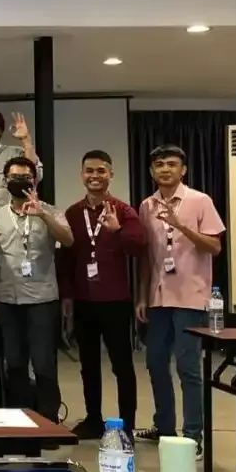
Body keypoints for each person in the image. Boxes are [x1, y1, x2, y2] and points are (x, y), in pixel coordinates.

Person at [136, 145, 224, 456]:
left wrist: (181, 225)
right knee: (156, 364)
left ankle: (193, 437)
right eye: (159, 164)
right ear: (152, 171)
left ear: (183, 170)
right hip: (158, 296)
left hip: (190, 296)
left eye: (172, 164)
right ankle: (164, 427)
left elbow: (215, 247)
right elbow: (147, 257)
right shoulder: (146, 206)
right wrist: (142, 296)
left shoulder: (200, 201)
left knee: (188, 368)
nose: (165, 169)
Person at [57, 150, 146, 439]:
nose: (94, 176)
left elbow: (138, 246)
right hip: (83, 299)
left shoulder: (124, 210)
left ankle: (127, 425)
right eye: (89, 170)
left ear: (110, 174)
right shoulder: (72, 213)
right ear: (82, 175)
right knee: (88, 365)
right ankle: (93, 419)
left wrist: (118, 231)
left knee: (122, 365)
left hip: (115, 300)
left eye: (101, 171)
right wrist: (67, 295)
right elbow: (66, 258)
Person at [0, 157, 73, 423]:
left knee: (44, 363)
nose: (19, 181)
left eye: (25, 177)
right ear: (5, 181)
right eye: (14, 177)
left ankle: (48, 421)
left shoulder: (50, 210)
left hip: (42, 299)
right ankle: (20, 422)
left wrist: (43, 215)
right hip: (8, 298)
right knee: (14, 364)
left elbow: (68, 240)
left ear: (34, 181)